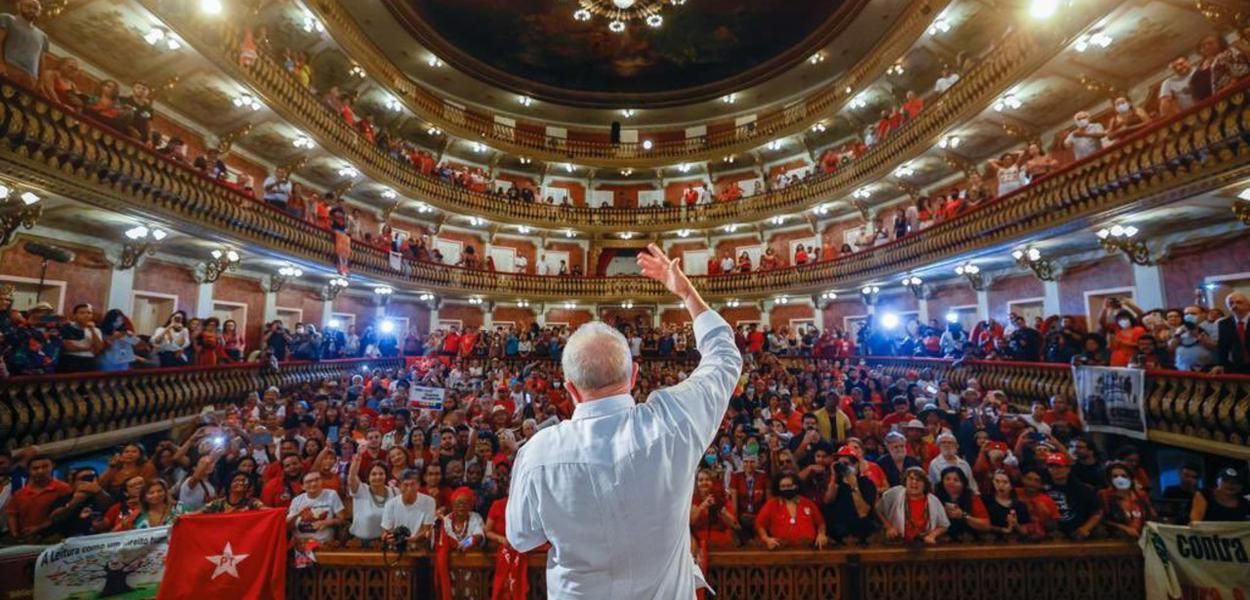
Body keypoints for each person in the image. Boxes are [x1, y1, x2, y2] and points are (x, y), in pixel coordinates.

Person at [507, 244, 742, 598]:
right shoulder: (672, 421)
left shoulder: (538, 452)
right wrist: (684, 291)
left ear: (570, 389)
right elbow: (724, 357)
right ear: (633, 376)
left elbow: (522, 538)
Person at [877, 467, 949, 545]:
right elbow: (878, 509)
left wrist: (932, 535)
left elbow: (944, 525)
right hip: (897, 543)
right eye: (911, 479)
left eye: (918, 480)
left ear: (925, 484)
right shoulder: (894, 493)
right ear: (905, 481)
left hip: (924, 544)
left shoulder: (933, 500)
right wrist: (889, 527)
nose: (914, 482)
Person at [5, 455, 69, 541]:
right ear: (28, 470)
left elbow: (66, 514)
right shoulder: (20, 494)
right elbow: (12, 515)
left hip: (54, 538)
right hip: (26, 539)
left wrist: (38, 528)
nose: (40, 471)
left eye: (45, 467)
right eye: (35, 468)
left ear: (52, 466)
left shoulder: (64, 489)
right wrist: (15, 534)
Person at [348, 454, 396, 546]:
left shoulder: (395, 491)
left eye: (381, 474)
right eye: (373, 474)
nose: (378, 477)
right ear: (368, 477)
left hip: (385, 542)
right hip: (360, 543)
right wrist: (356, 462)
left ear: (386, 476)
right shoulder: (361, 490)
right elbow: (352, 477)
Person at [1099, 462, 1155, 539]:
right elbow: (1102, 520)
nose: (1119, 479)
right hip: (1117, 538)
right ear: (1109, 480)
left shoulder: (1141, 495)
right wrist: (1124, 528)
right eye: (1115, 476)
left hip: (1143, 537)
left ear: (1131, 478)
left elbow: (1151, 516)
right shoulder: (1104, 495)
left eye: (1123, 476)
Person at [287, 470, 346, 544]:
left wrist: (326, 522)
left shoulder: (332, 495)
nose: (314, 484)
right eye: (309, 482)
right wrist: (298, 514)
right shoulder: (296, 500)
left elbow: (341, 519)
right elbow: (288, 524)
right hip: (300, 543)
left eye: (317, 480)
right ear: (302, 486)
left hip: (324, 544)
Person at [380, 469, 436, 547]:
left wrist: (413, 539)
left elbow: (427, 530)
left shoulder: (429, 502)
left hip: (419, 546)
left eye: (413, 484)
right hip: (397, 547)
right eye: (405, 485)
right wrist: (388, 538)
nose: (409, 488)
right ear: (399, 486)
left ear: (418, 485)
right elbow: (385, 530)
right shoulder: (390, 504)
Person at [0, 0, 48, 89]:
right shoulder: (7, 18)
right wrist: (1, 64)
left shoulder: (43, 36)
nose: (32, 10)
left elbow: (42, 61)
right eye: (29, 6)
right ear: (18, 6)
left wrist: (40, 82)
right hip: (9, 68)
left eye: (36, 9)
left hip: (30, 78)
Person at [1213, 291, 1250, 374]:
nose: (1234, 305)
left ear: (1248, 305)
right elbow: (1222, 346)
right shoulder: (1224, 323)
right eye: (1231, 303)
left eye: (1239, 302)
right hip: (1237, 366)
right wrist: (1221, 364)